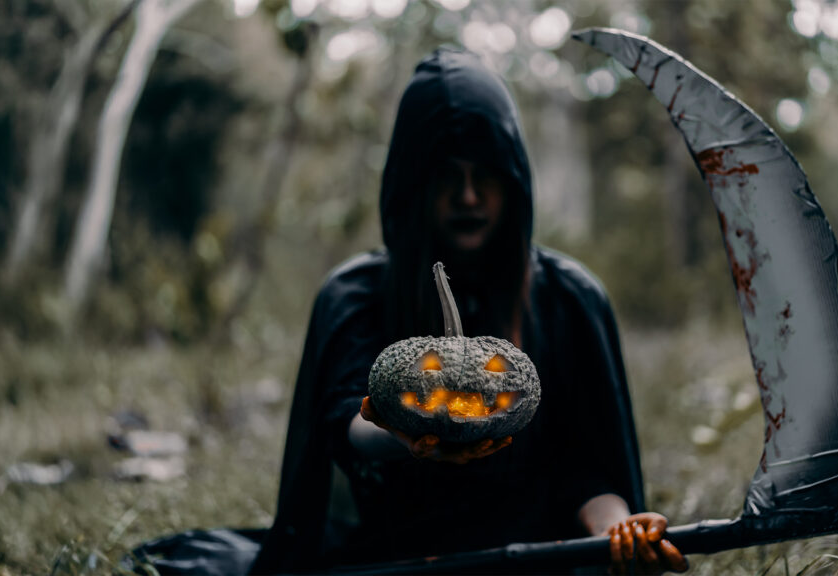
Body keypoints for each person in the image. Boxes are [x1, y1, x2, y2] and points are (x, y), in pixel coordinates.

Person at [250, 48, 687, 575]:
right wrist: (402, 431)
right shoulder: (355, 295)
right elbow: (345, 423)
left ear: (514, 181)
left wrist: (615, 529)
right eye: (447, 176)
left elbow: (590, 469)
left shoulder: (570, 298)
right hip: (394, 562)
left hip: (533, 562)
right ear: (413, 185)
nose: (469, 196)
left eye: (486, 175)